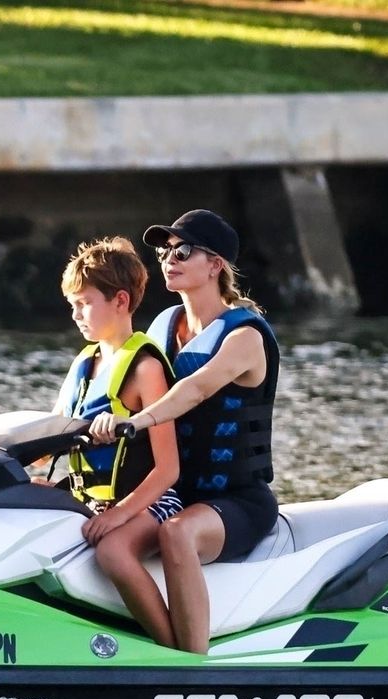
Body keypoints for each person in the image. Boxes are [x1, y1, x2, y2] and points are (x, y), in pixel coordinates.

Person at [0, 237, 184, 647]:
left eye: (84, 303)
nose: (75, 314)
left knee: (112, 553)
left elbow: (168, 469)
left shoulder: (144, 369)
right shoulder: (85, 364)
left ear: (121, 301)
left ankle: (174, 655)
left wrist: (118, 516)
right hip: (88, 497)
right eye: (72, 304)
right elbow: (47, 443)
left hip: (150, 501)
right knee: (6, 508)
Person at [89, 209, 280, 654]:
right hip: (174, 495)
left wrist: (135, 422)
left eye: (184, 251)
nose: (169, 259)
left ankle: (191, 666)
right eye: (164, 250)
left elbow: (195, 389)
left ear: (215, 265)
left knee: (177, 533)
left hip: (237, 501)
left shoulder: (245, 336)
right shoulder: (162, 326)